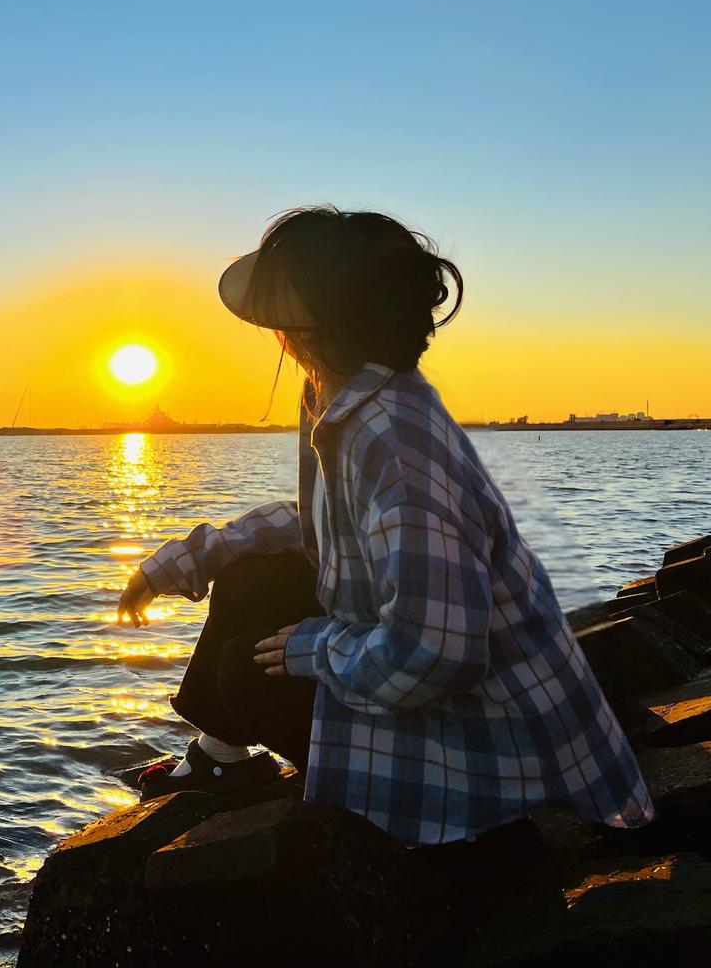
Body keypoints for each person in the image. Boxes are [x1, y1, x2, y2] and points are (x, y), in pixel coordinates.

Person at [117, 206, 655, 847]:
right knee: (259, 578)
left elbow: (438, 651)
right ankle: (220, 758)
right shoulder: (351, 400)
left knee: (246, 668)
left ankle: (481, 841)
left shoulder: (392, 440)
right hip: (451, 685)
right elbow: (325, 527)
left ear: (299, 330)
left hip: (489, 739)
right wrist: (193, 557)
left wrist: (312, 650)